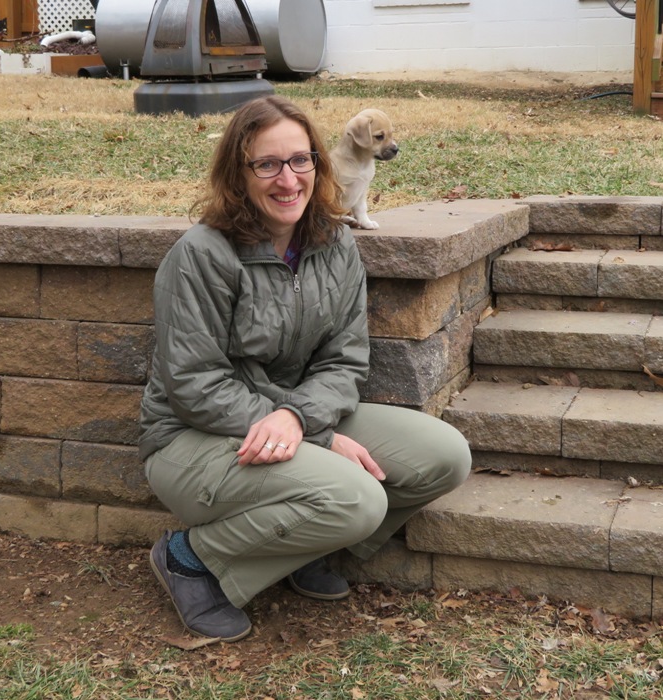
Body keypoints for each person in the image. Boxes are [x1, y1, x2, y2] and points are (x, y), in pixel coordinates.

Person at [138, 95, 472, 642]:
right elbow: (194, 383)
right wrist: (312, 430)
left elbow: (345, 360)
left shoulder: (335, 242)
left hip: (293, 419)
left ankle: (300, 546)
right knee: (357, 499)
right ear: (237, 174)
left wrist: (301, 421)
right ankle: (190, 559)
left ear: (318, 162)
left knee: (444, 458)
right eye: (266, 164)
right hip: (193, 436)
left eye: (300, 160)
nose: (288, 179)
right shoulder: (202, 254)